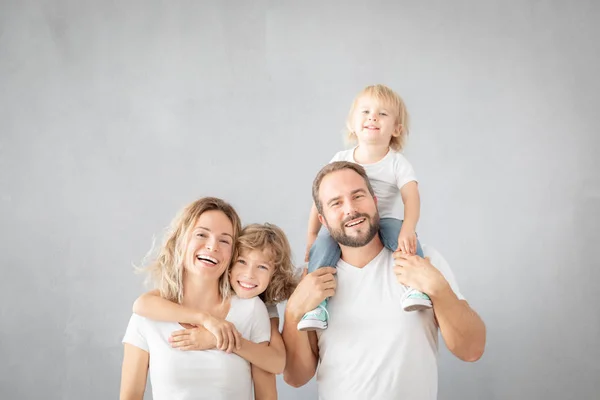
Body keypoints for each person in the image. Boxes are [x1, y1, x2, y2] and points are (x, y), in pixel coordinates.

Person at [283, 162, 486, 399]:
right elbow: (296, 378)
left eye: (358, 196)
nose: (350, 209)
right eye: (336, 203)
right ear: (323, 220)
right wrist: (292, 312)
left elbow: (472, 350)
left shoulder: (422, 262)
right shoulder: (312, 283)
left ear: (375, 201)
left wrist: (438, 288)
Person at [300, 84, 430, 332]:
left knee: (402, 236)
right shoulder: (341, 158)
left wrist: (409, 228)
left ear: (396, 129)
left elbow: (412, 198)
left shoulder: (397, 163)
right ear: (351, 123)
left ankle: (416, 287)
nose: (373, 117)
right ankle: (317, 305)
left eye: (383, 114)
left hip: (383, 220)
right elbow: (319, 200)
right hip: (345, 224)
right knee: (323, 248)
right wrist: (311, 235)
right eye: (366, 111)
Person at [120, 197, 274, 400]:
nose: (212, 246)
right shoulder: (146, 316)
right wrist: (206, 319)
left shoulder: (251, 309)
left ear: (233, 254)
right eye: (202, 234)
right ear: (181, 241)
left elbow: (268, 394)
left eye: (225, 240)